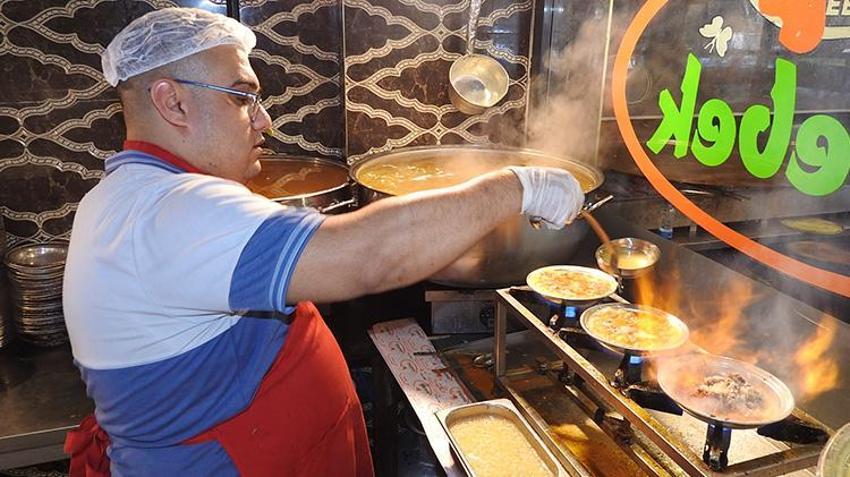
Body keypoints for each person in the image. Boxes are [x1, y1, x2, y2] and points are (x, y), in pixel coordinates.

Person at [61, 7, 585, 477]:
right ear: (171, 101)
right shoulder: (170, 212)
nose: (264, 120)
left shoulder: (133, 195)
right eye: (244, 97)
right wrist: (516, 186)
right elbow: (366, 257)